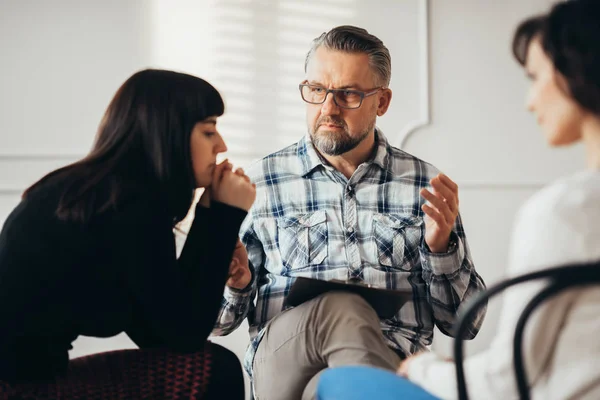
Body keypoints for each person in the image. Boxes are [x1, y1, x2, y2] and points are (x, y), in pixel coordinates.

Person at [212, 26, 487, 400]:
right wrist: (237, 285)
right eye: (317, 90)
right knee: (341, 308)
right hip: (284, 363)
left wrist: (441, 251)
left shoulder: (425, 185)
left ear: (382, 102)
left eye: (349, 94)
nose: (328, 107)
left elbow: (464, 324)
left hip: (386, 365)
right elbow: (217, 323)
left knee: (329, 391)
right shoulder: (259, 182)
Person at [0, 69, 255, 399]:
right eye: (209, 131)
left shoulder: (106, 194)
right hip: (20, 389)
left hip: (26, 379)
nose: (221, 145)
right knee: (216, 370)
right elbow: (184, 335)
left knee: (211, 365)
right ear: (169, 134)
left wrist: (212, 219)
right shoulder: (131, 205)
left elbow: (163, 331)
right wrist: (223, 213)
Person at [392, 1, 600, 399]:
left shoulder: (564, 213)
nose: (530, 101)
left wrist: (423, 368)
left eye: (536, 77)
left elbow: (505, 383)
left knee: (342, 383)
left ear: (576, 73)